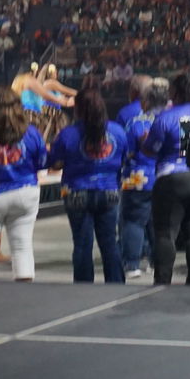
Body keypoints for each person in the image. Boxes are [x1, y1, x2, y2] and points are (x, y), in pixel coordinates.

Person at [47, 88, 132, 285]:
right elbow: (124, 158)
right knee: (110, 242)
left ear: (77, 109)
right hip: (109, 190)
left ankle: (84, 288)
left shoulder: (68, 134)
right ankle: (116, 284)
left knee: (82, 244)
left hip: (77, 191)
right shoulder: (117, 131)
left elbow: (52, 162)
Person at [0, 87, 47, 283]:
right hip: (25, 192)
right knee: (22, 247)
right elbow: (42, 163)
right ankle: (25, 297)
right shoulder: (31, 132)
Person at [144, 71, 190, 285]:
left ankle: (163, 281)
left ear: (176, 92)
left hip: (171, 177)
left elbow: (150, 149)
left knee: (165, 233)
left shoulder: (165, 117)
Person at [119, 79, 167, 278]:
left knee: (133, 221)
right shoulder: (172, 118)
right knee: (158, 223)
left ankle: (132, 264)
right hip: (164, 177)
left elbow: (127, 152)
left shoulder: (136, 123)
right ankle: (157, 262)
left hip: (138, 177)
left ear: (146, 101)